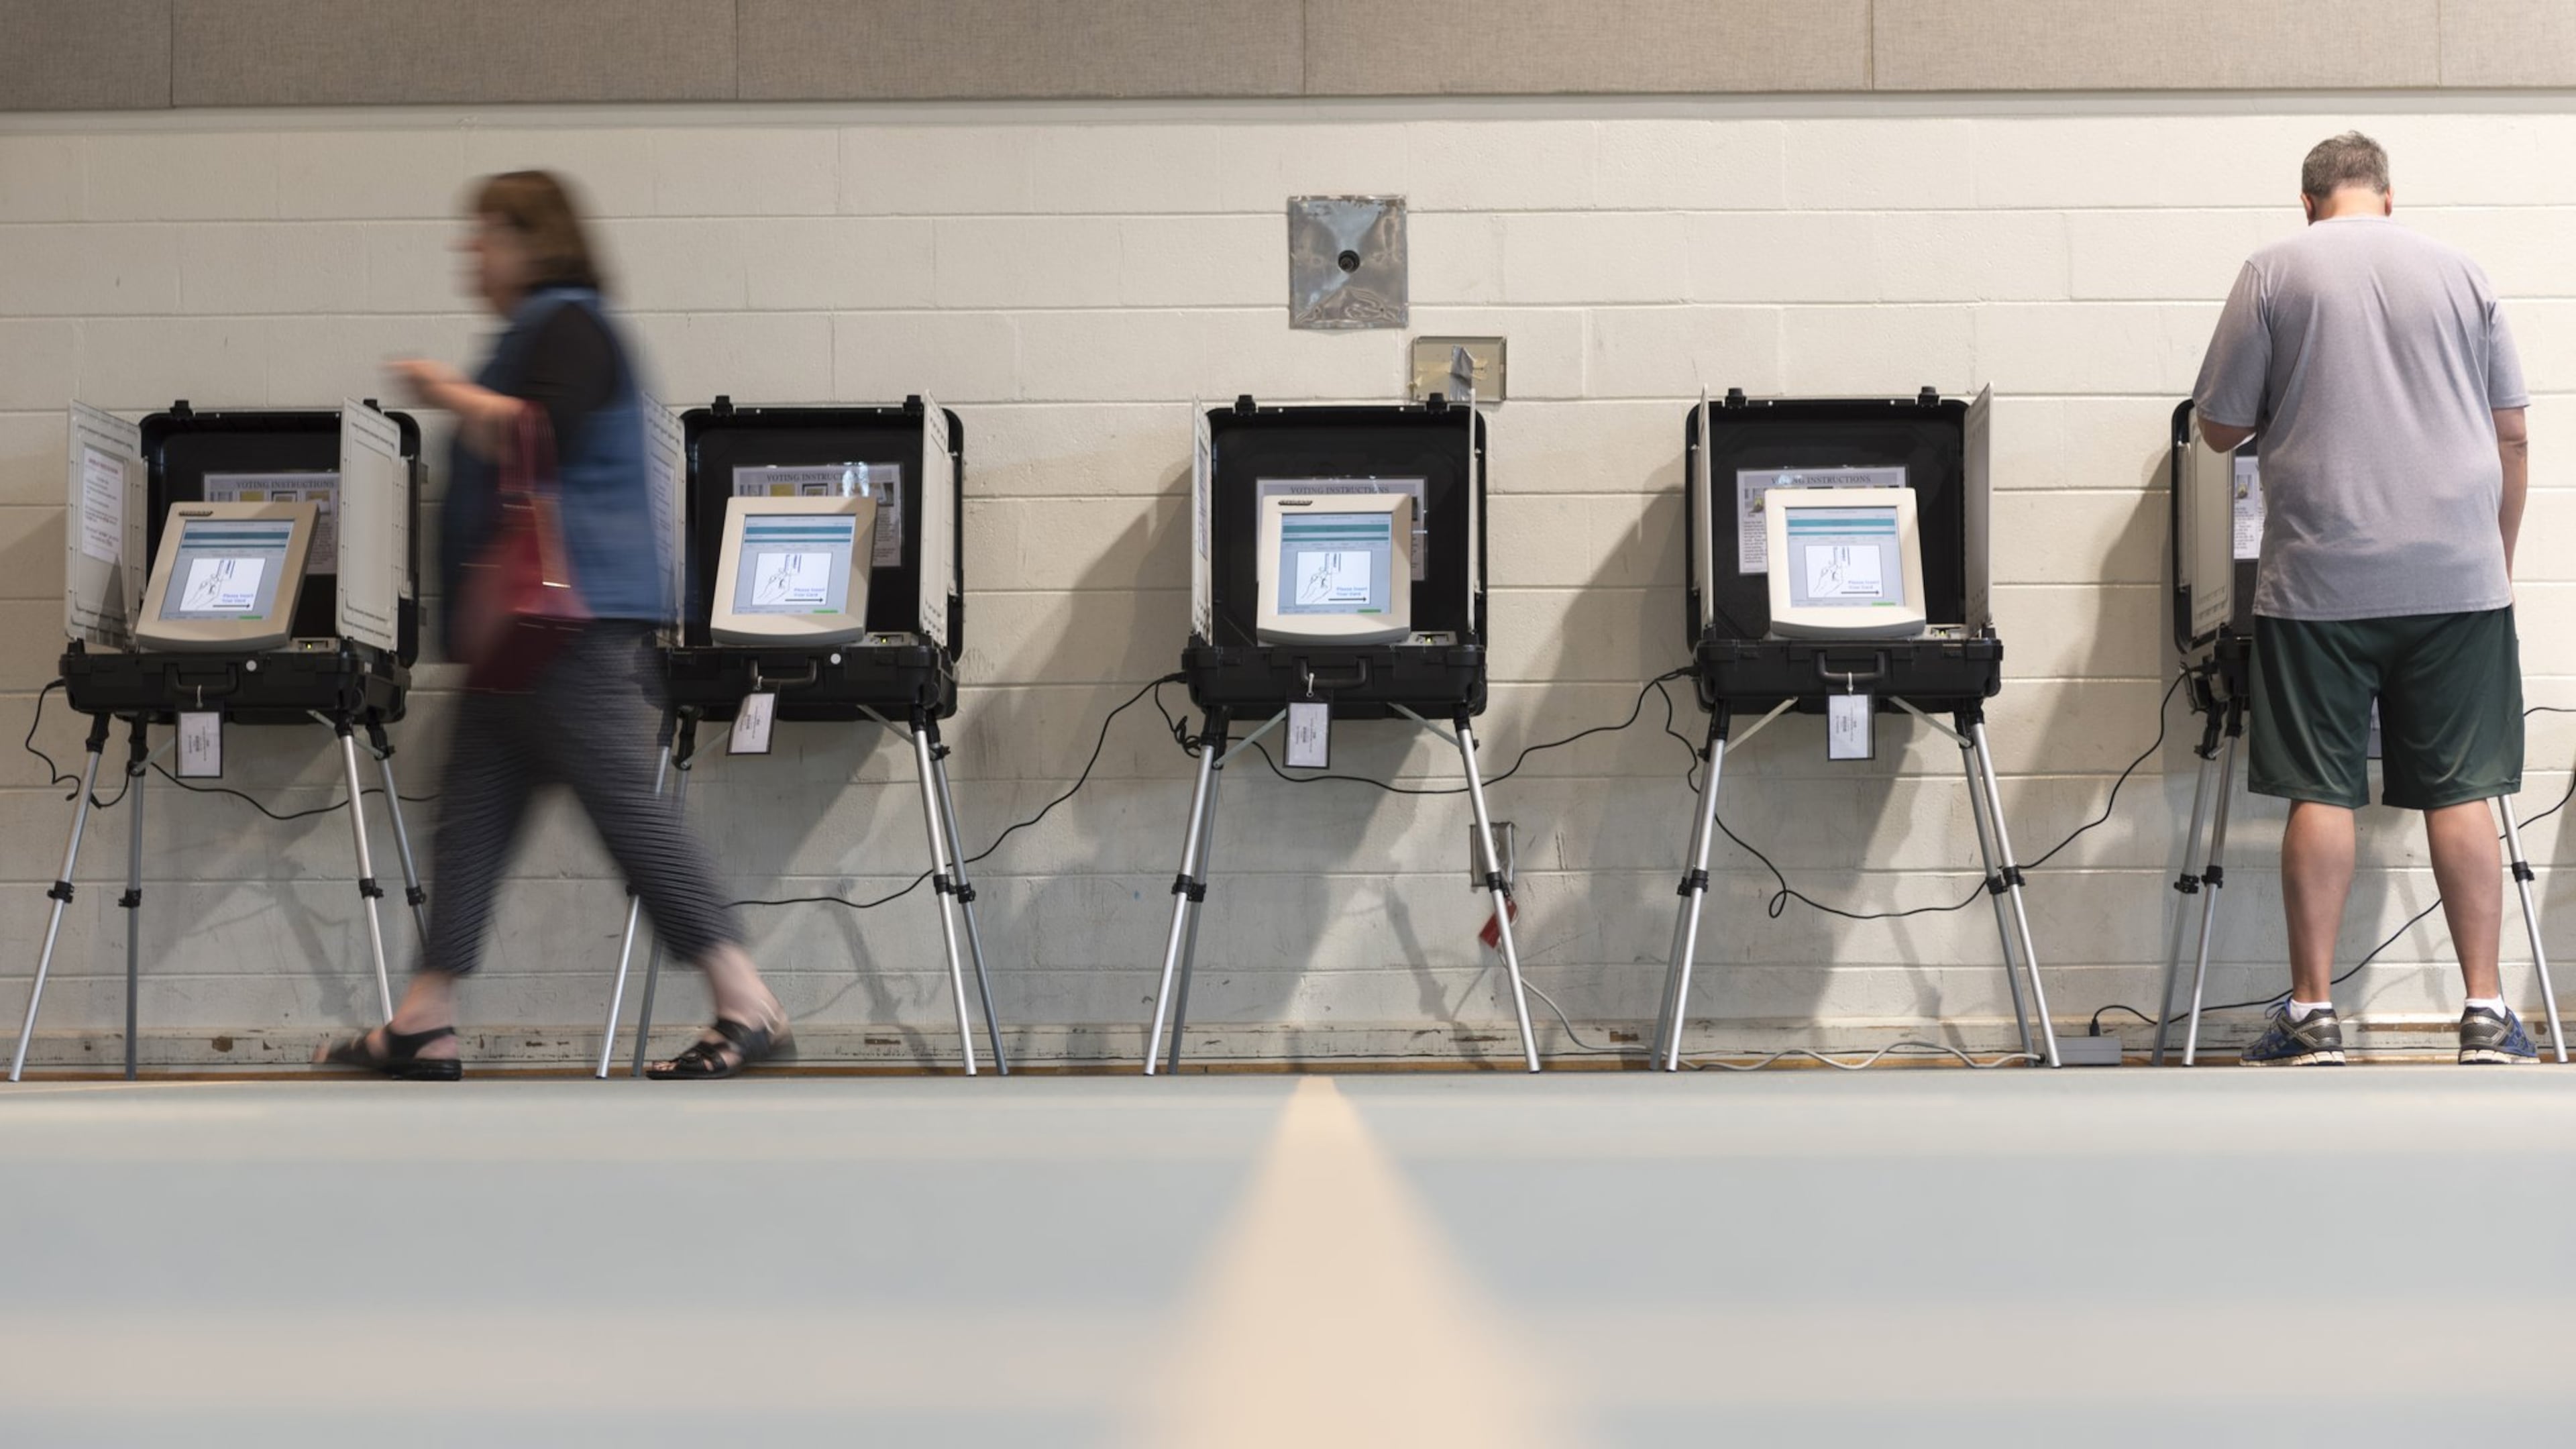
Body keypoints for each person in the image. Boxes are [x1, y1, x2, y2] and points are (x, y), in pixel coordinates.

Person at [317, 170, 791, 1080]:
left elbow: (543, 433)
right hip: (522, 631)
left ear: (536, 241)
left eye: (487, 232)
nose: (471, 251)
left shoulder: (571, 324)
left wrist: (445, 391)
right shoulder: (535, 333)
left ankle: (745, 999)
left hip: (573, 624)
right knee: (472, 815)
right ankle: (425, 1016)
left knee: (625, 808)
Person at [2192, 132, 2534, 1065]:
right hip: (2459, 579)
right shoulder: (2464, 272)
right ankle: (2486, 1014)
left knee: (2320, 789)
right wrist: (2492, 561)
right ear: (2388, 196)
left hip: (2321, 577)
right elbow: (2512, 439)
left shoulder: (2274, 268)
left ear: (2307, 203)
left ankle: (2312, 1020)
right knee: (2463, 790)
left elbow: (2218, 428)